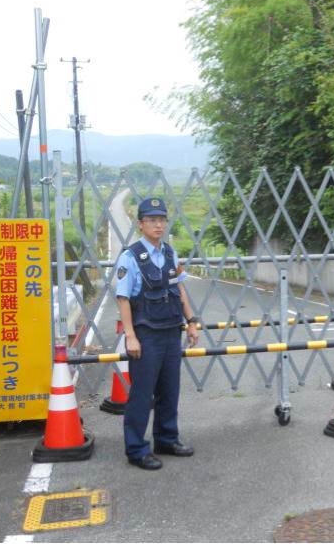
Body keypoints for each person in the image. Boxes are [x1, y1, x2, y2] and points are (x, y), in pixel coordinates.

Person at [115, 197, 200, 469]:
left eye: (161, 219)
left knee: (169, 390)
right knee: (142, 394)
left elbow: (179, 289)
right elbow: (123, 298)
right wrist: (130, 335)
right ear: (141, 225)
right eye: (152, 220)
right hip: (147, 334)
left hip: (170, 331)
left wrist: (191, 320)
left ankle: (166, 438)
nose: (158, 225)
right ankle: (137, 449)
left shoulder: (170, 254)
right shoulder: (130, 257)